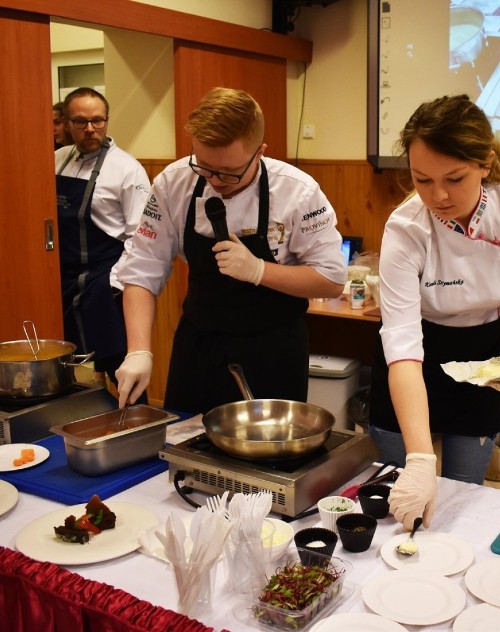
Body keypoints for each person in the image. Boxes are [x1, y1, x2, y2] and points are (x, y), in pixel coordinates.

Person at [370, 94, 500, 530]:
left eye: (454, 178)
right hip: (414, 357)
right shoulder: (405, 229)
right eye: (422, 179)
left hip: (484, 355)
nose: (438, 195)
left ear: (485, 163)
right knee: (398, 491)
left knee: (462, 493)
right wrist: (419, 460)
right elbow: (401, 344)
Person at [112, 87, 346, 413]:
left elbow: (331, 279)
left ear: (260, 152)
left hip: (273, 350)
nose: (215, 181)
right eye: (204, 167)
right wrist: (138, 351)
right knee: (184, 445)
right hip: (199, 345)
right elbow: (143, 265)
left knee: (267, 458)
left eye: (229, 173)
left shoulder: (298, 192)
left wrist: (259, 270)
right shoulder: (173, 183)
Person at [55, 87, 151, 401]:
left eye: (98, 121)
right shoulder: (56, 161)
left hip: (104, 279)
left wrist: (116, 282)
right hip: (64, 278)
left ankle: (140, 424)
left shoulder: (127, 168)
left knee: (120, 363)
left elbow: (140, 236)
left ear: (107, 120)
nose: (90, 129)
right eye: (81, 122)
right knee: (63, 364)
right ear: (67, 123)